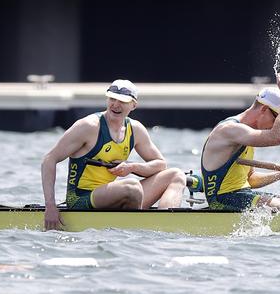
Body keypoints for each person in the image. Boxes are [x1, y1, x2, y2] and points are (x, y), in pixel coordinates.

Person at [42, 79, 187, 230]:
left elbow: (160, 164)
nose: (115, 105)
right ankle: (138, 228)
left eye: (122, 101)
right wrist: (50, 205)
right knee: (132, 187)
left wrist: (132, 167)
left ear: (133, 105)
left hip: (116, 195)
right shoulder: (88, 126)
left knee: (176, 175)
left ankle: (166, 228)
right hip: (81, 198)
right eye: (112, 99)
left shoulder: (136, 130)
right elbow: (49, 159)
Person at [200, 73, 280, 211]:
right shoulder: (229, 130)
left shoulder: (245, 135)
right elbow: (279, 137)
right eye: (276, 120)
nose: (275, 126)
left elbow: (250, 179)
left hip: (242, 195)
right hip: (222, 200)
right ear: (264, 109)